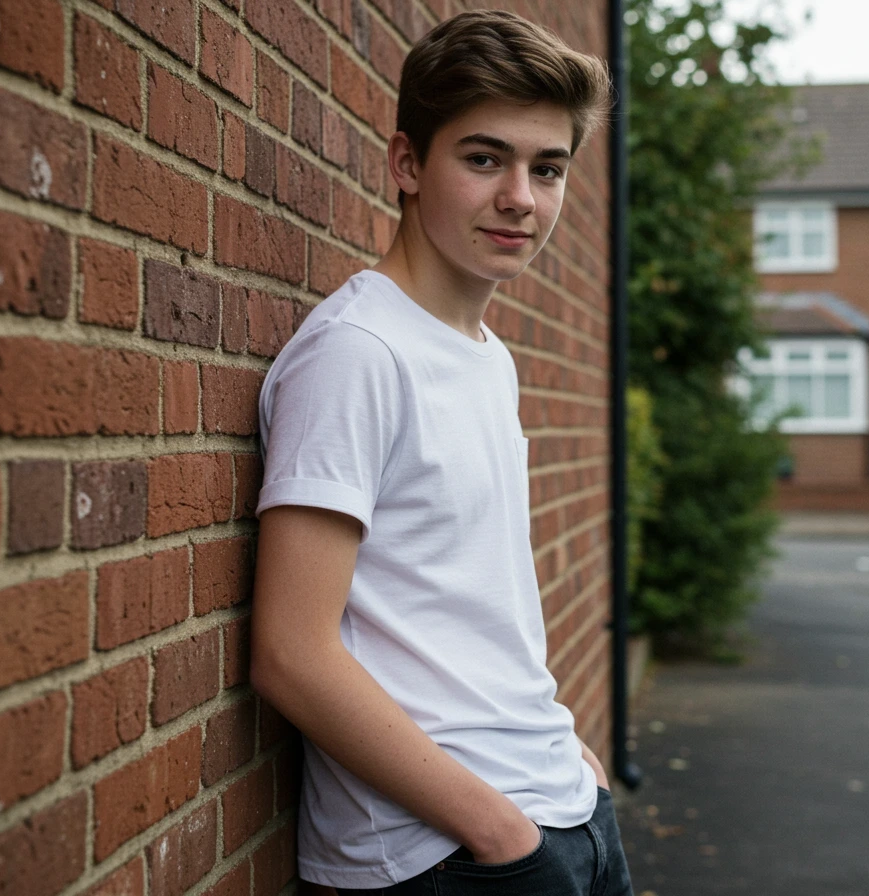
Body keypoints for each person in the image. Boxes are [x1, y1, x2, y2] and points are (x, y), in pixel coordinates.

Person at [250, 9, 633, 895]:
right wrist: (495, 830)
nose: (521, 198)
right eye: (484, 158)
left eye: (548, 168)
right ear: (407, 164)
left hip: (562, 811)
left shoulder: (484, 356)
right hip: (451, 857)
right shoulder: (359, 351)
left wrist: (573, 765)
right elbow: (291, 652)